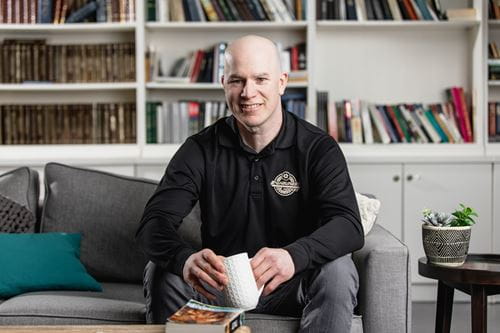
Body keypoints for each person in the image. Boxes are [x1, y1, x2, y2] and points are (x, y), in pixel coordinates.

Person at [135, 35, 364, 332]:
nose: (248, 92)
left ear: (281, 82)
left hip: (290, 285)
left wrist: (294, 256)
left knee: (338, 269)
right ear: (223, 84)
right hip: (219, 289)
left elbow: (349, 225)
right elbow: (152, 225)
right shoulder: (200, 149)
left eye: (260, 79)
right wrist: (184, 260)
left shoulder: (317, 148)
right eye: (237, 80)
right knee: (162, 270)